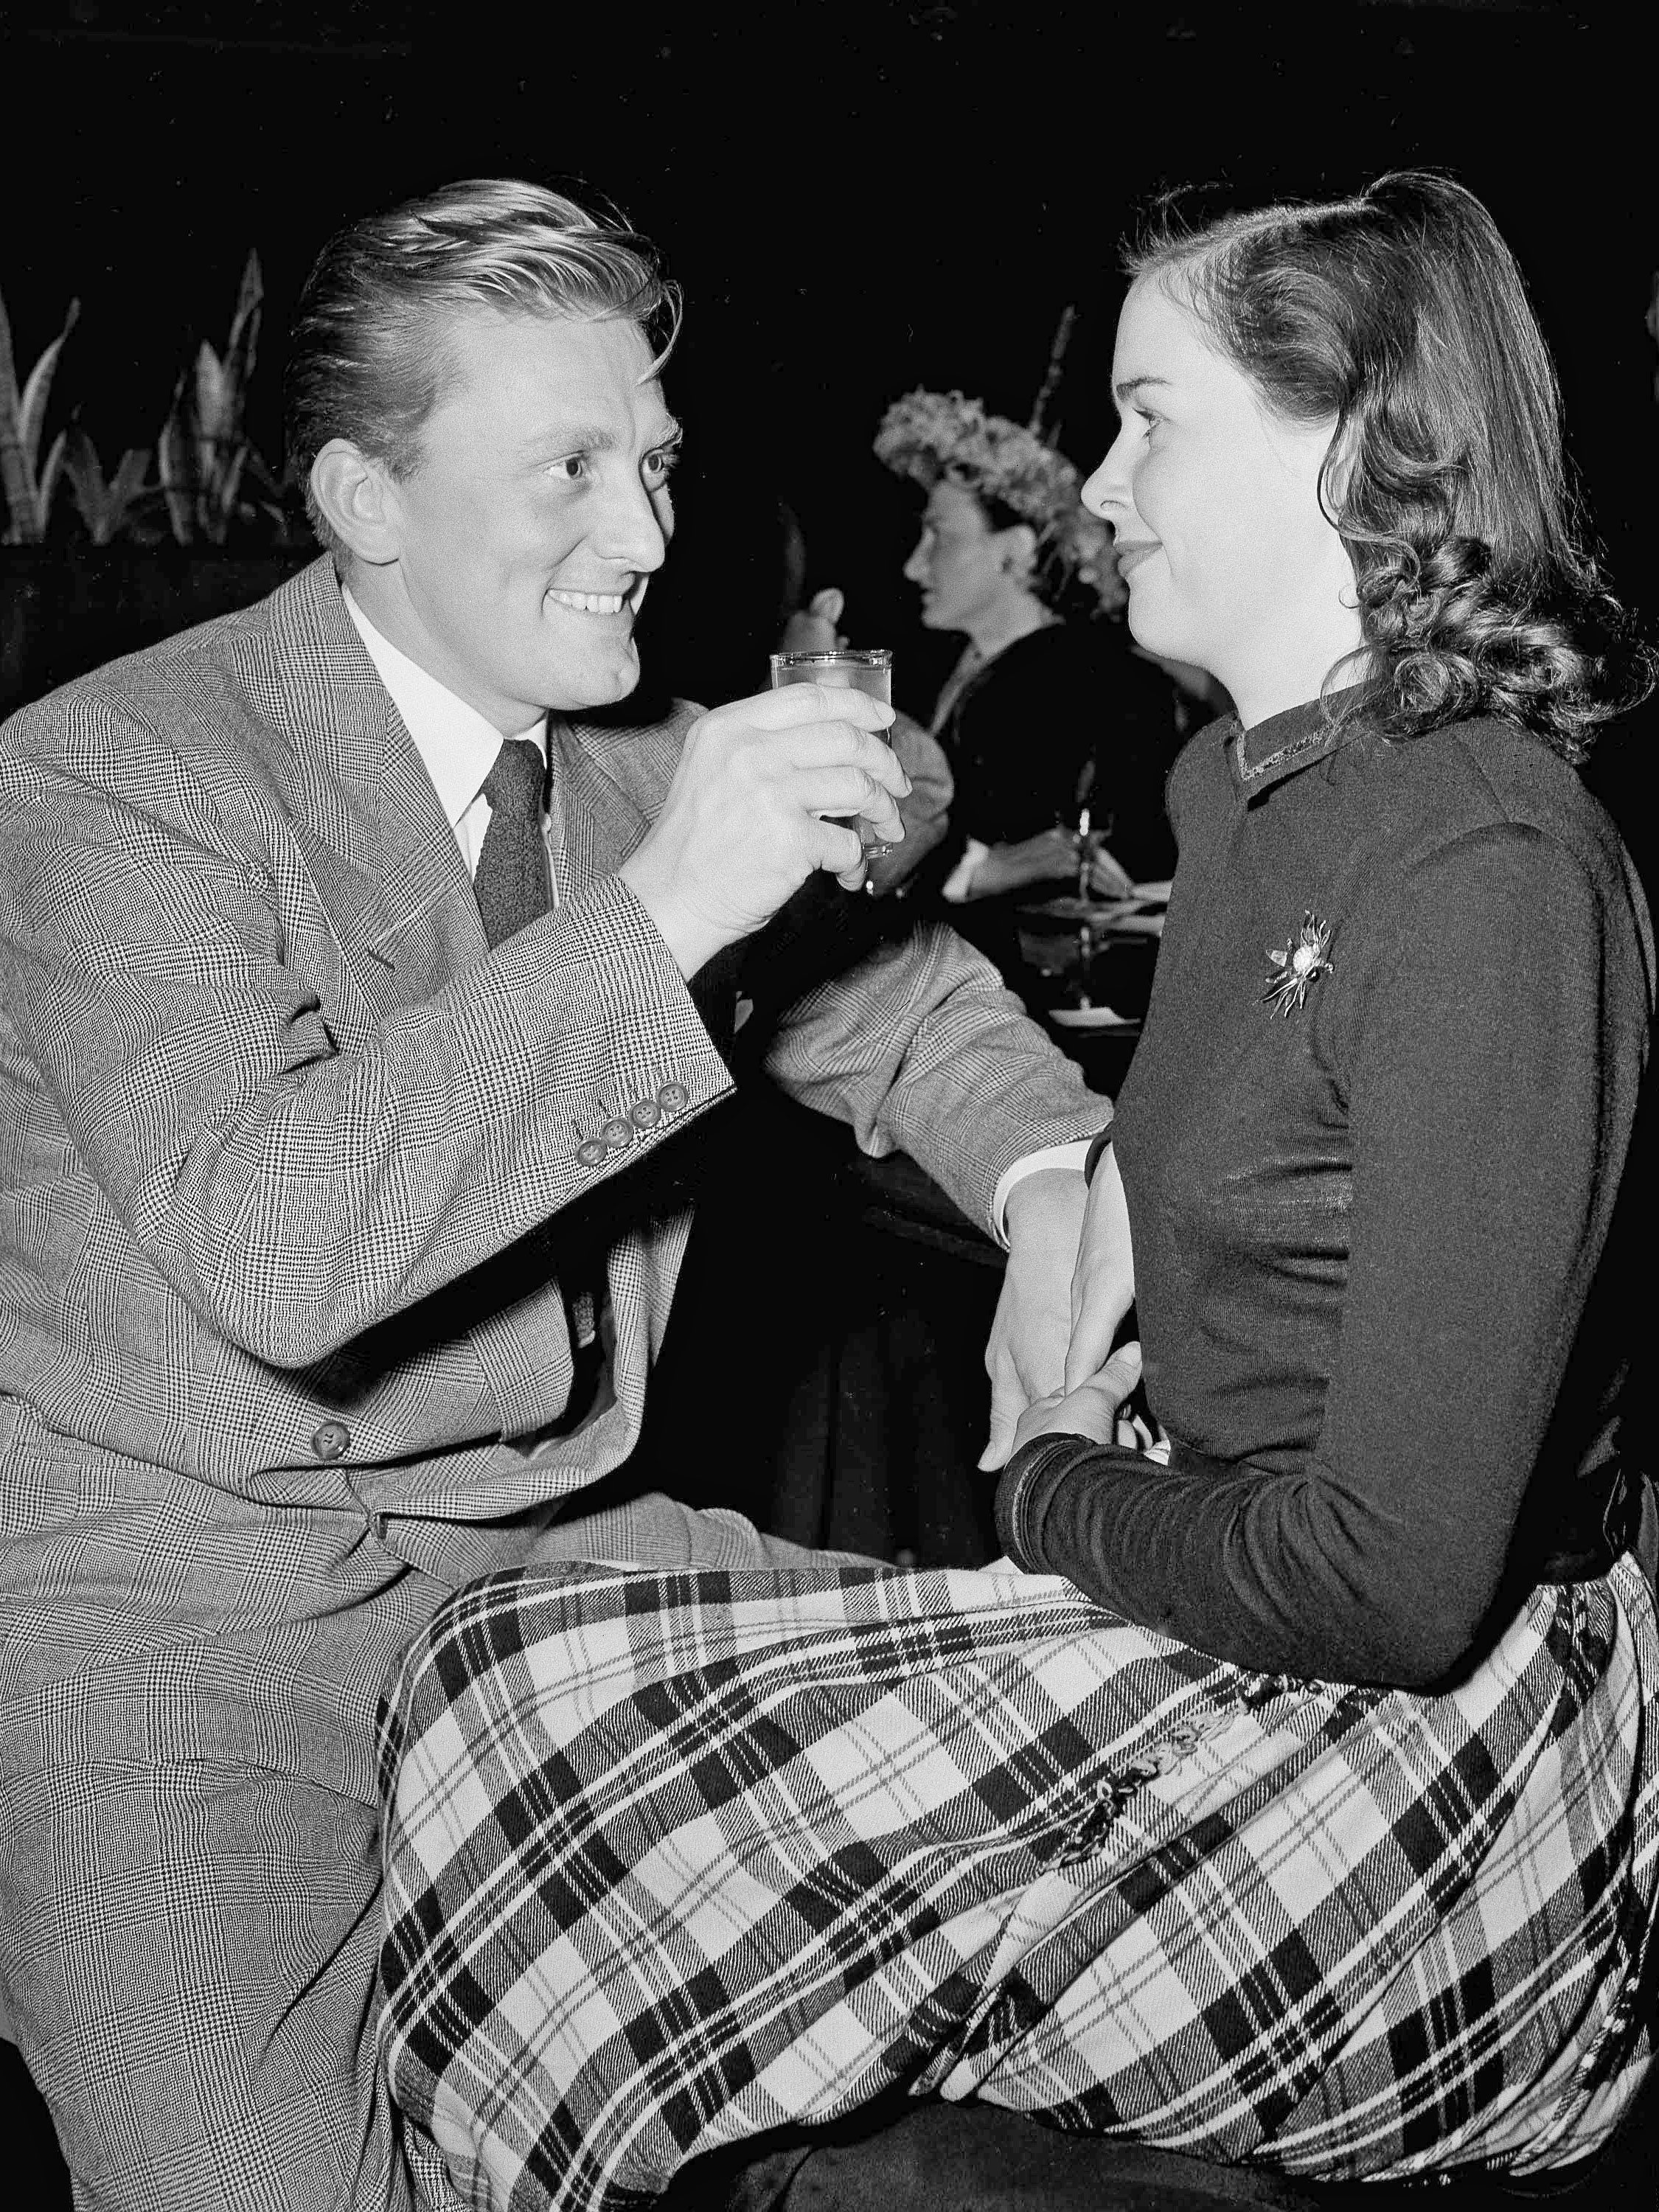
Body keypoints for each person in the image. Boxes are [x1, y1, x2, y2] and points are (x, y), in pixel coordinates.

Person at [375, 171, 1659, 2212]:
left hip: (1444, 1775)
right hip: (1230, 1623)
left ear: (1343, 449)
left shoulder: (1489, 871)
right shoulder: (1238, 788)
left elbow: (1399, 1589)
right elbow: (1190, 1170)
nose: (1099, 480)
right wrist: (1081, 1214)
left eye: (1153, 419)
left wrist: (1052, 1474)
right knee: (495, 1662)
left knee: (532, 1735)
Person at [0, 180, 1120, 2211]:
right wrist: (673, 904)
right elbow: (278, 1242)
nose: (650, 535)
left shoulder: (616, 766)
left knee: (1065, 1735)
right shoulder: (114, 778)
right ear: (364, 497)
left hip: (535, 1557)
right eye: (573, 471)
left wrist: (1054, 1185)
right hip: (168, 1611)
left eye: (658, 463)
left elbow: (897, 1003)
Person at [871, 391, 1186, 964]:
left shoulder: (1086, 683)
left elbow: (1077, 868)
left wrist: (976, 868)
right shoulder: (948, 672)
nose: (915, 565)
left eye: (940, 534)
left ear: (1013, 550)